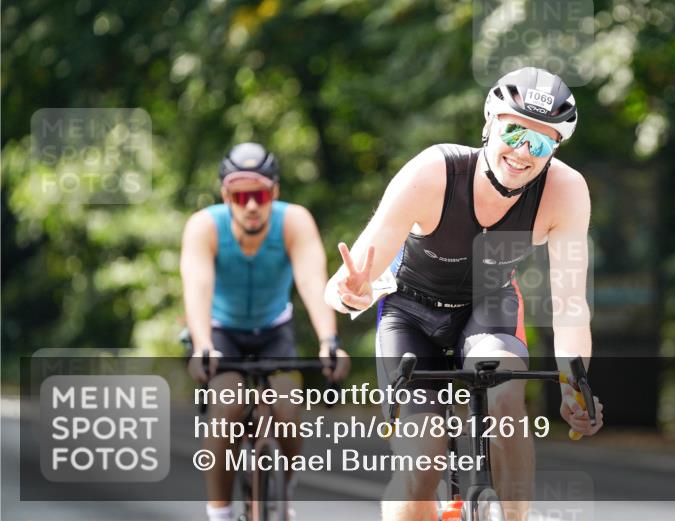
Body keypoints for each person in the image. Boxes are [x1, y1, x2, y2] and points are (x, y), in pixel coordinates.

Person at [325, 67, 604, 521]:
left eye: (540, 143)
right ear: (489, 123)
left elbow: (571, 303)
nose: (522, 152)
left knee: (507, 398)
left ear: (555, 149)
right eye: (514, 131)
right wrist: (349, 293)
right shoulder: (434, 172)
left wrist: (577, 384)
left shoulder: (566, 191)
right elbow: (350, 279)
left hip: (488, 305)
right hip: (410, 312)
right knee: (422, 461)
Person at [181, 142, 350, 521]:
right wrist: (203, 345)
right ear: (226, 196)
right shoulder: (204, 227)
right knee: (227, 407)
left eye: (259, 194)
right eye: (241, 196)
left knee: (288, 411)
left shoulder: (294, 221)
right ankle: (220, 512)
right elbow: (197, 287)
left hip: (274, 331)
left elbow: (311, 282)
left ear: (273, 192)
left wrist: (329, 341)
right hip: (222, 332)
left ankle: (282, 498)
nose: (251, 205)